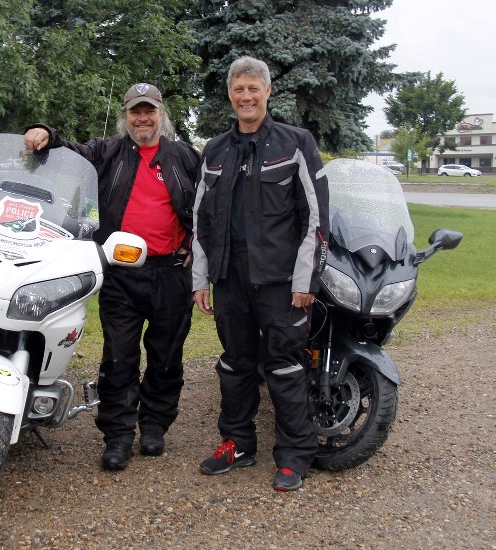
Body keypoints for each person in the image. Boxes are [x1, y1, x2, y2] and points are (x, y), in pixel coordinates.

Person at [24, 83, 200, 471]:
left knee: (166, 357)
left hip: (171, 272)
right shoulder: (108, 152)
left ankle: (154, 425)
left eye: (149, 111)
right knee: (118, 357)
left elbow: (209, 202)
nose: (143, 119)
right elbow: (72, 151)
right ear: (126, 116)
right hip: (120, 273)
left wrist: (197, 244)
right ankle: (118, 435)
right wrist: (45, 134)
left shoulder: (184, 156)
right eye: (135, 112)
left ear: (160, 113)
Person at [191, 55, 329, 491]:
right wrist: (200, 279)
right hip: (230, 279)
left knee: (285, 368)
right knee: (235, 365)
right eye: (238, 89)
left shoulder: (296, 142)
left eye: (254, 88)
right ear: (230, 95)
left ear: (268, 92)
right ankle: (237, 443)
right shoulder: (214, 151)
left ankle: (293, 456)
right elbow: (200, 222)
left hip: (281, 284)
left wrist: (306, 282)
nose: (246, 96)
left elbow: (317, 219)